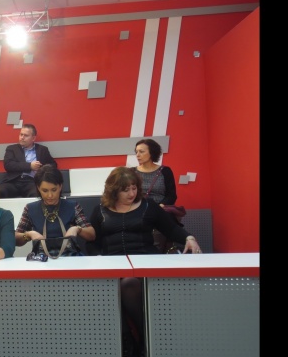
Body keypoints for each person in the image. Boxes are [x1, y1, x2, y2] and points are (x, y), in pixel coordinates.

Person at [86, 166, 202, 357]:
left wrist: (189, 237)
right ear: (114, 190)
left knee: (129, 283)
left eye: (134, 188)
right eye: (125, 190)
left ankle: (142, 337)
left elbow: (171, 229)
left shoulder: (149, 206)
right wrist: (98, 259)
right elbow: (91, 242)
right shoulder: (100, 210)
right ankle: (133, 338)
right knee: (111, 287)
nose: (131, 193)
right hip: (112, 265)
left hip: (145, 262)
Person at [15, 164, 95, 256]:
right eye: (45, 191)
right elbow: (16, 240)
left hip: (70, 257)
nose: (50, 195)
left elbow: (91, 235)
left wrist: (77, 229)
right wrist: (29, 234)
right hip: (42, 258)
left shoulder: (73, 206)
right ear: (38, 188)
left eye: (54, 190)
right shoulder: (30, 208)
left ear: (60, 186)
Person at [134, 138, 180, 253]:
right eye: (136, 152)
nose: (137, 155)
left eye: (141, 151)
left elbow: (172, 195)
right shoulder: (132, 172)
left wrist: (161, 206)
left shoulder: (165, 171)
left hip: (160, 210)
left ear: (152, 152)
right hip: (138, 209)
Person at [0, 123, 57, 198]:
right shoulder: (12, 149)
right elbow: (8, 165)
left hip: (32, 181)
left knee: (37, 194)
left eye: (26, 135)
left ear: (33, 138)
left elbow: (53, 165)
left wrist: (42, 168)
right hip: (13, 181)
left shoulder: (42, 150)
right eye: (21, 134)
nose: (22, 137)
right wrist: (30, 166)